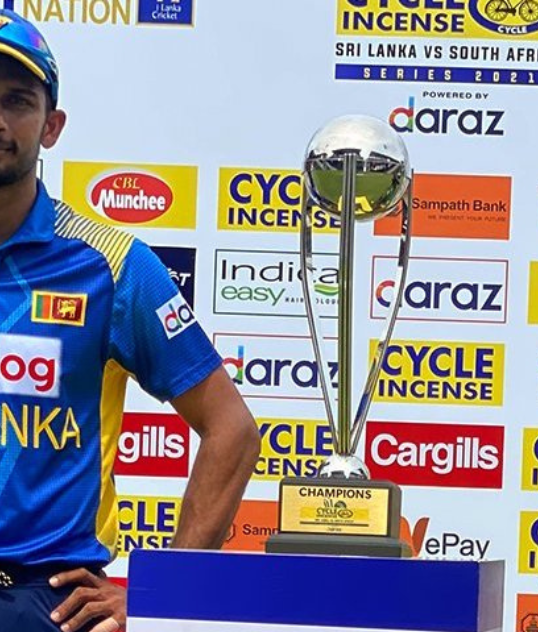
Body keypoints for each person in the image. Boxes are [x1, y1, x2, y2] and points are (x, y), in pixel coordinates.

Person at [0, 10, 260, 632]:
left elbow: (232, 430)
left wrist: (161, 595)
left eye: (17, 100)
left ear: (52, 126)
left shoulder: (113, 264)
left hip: (44, 603)